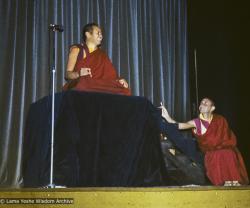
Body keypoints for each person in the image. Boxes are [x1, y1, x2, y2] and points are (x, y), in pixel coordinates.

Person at [160, 97, 249, 186]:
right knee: (218, 154)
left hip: (225, 149)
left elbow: (228, 138)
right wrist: (167, 117)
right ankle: (223, 183)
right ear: (199, 108)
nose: (203, 103)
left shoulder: (220, 120)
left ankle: (234, 182)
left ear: (212, 108)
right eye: (202, 103)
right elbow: (179, 125)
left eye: (206, 103)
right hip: (209, 153)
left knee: (230, 152)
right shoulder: (197, 122)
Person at [63, 23, 131, 96]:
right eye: (98, 33)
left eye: (101, 34)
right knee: (83, 83)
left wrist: (119, 80)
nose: (101, 36)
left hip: (97, 84)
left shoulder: (102, 54)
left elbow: (111, 75)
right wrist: (79, 73)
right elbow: (67, 74)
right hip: (84, 83)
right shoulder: (77, 50)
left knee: (124, 89)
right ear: (88, 34)